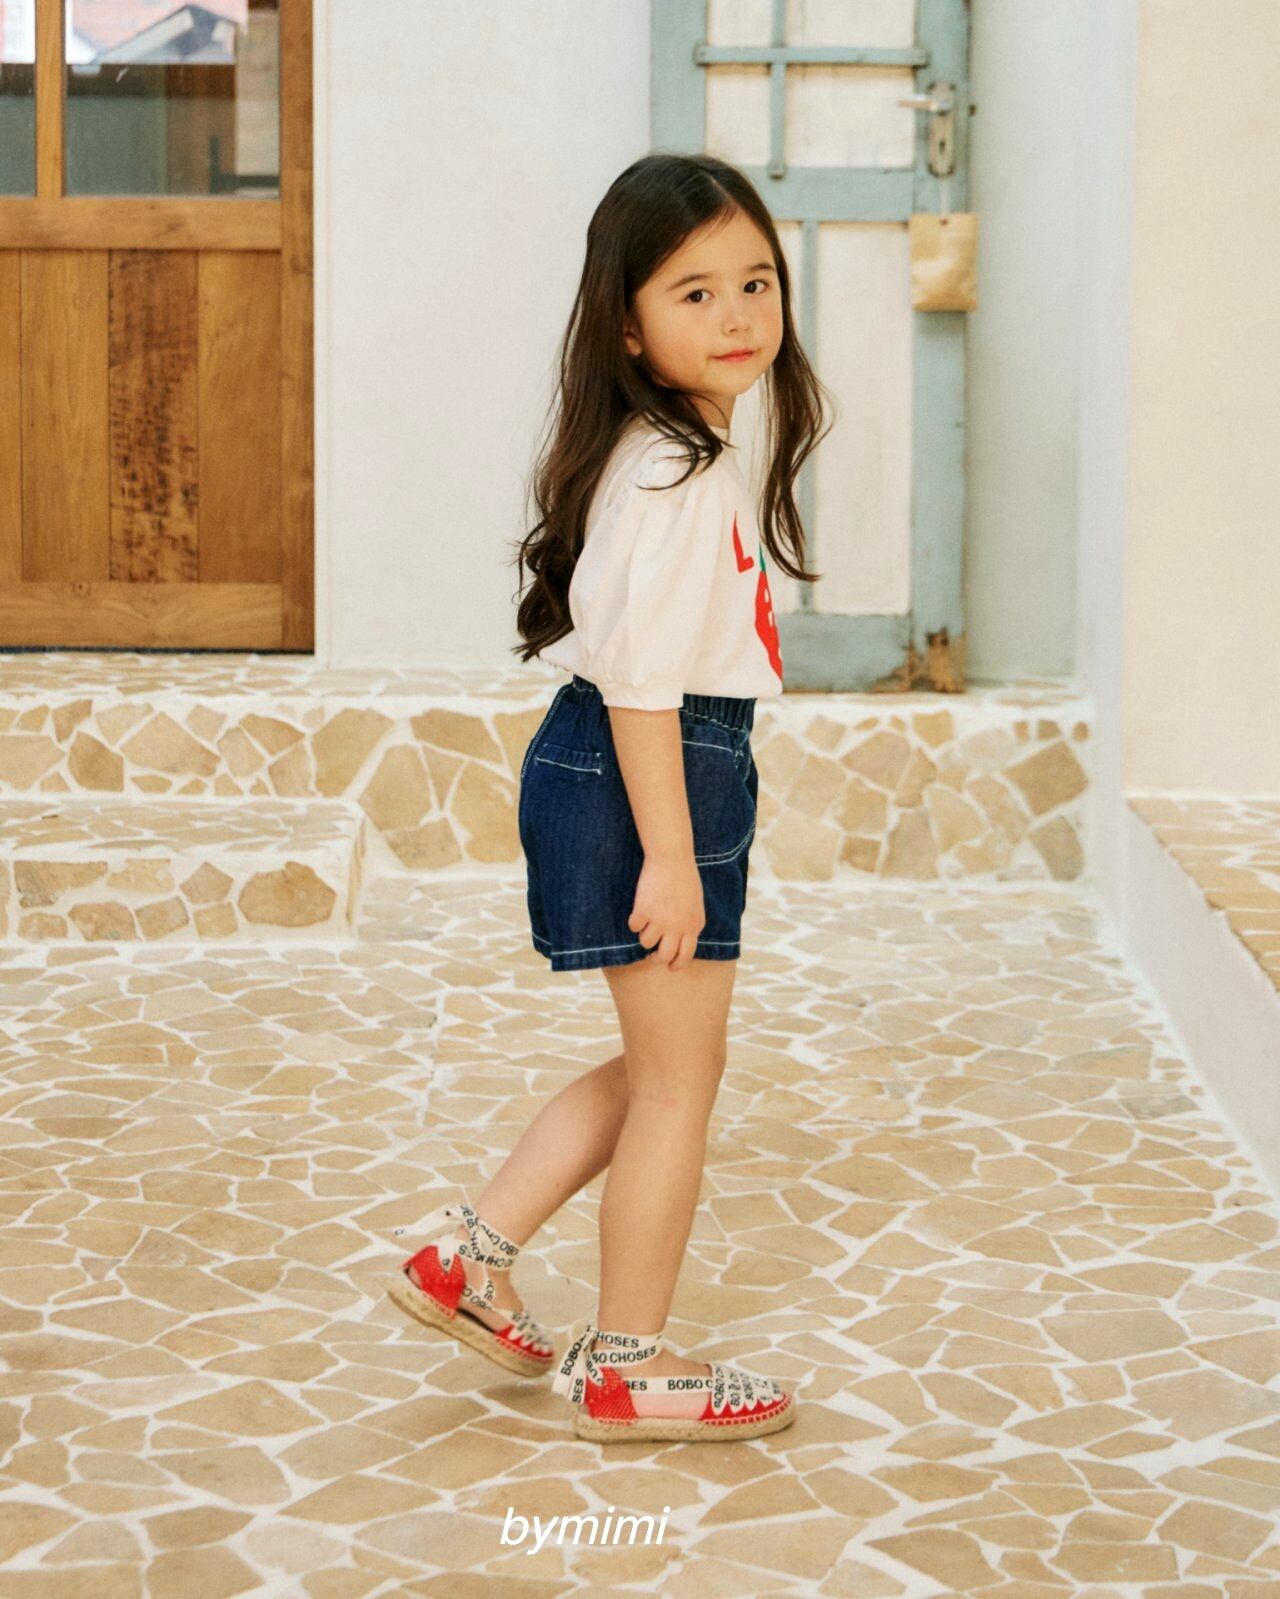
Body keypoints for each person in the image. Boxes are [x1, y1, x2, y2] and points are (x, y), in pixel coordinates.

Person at [389, 152, 830, 1443]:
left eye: (756, 281)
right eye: (694, 293)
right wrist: (673, 857)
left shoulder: (670, 449)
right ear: (628, 327)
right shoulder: (676, 472)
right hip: (654, 766)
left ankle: (466, 1257)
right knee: (681, 1085)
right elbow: (642, 686)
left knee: (662, 1068)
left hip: (630, 759)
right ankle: (629, 1367)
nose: (738, 314)